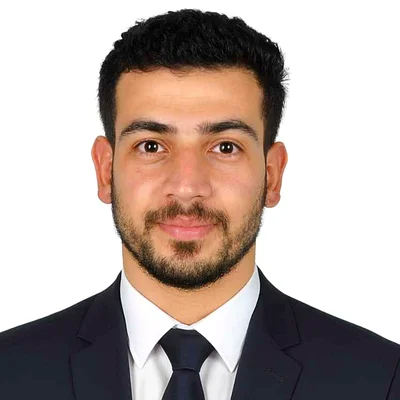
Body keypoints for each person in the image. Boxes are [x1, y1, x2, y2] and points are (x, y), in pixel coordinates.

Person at [0, 8, 399, 400]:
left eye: (225, 147)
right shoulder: (9, 372)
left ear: (272, 175)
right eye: (151, 146)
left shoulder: (382, 380)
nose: (187, 187)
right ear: (105, 171)